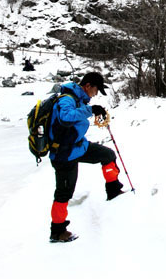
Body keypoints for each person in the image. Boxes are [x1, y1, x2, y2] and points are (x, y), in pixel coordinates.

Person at [48, 71, 125, 243]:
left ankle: (113, 190)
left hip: (78, 147)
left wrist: (92, 110)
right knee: (64, 193)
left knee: (108, 155)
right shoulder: (67, 99)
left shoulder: (79, 98)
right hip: (64, 154)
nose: (95, 94)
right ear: (88, 85)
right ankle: (57, 231)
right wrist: (90, 110)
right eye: (96, 90)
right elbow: (65, 117)